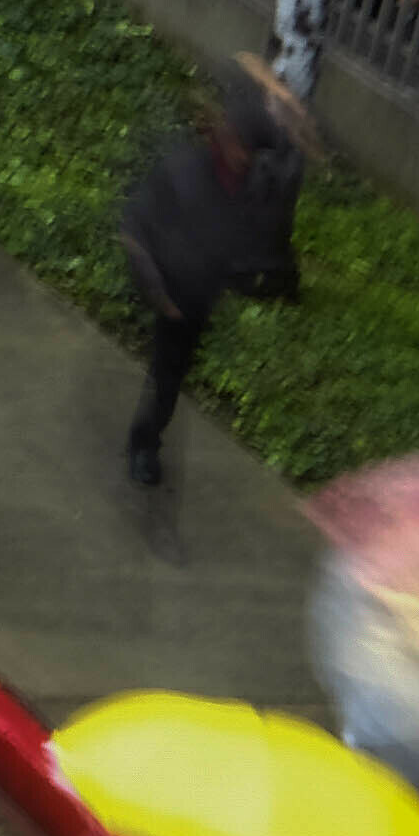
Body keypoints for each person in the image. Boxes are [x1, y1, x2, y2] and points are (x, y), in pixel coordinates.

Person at [114, 56, 308, 532]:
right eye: (240, 145)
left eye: (250, 150)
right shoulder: (186, 170)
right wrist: (157, 291)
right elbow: (135, 224)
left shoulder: (253, 186)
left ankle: (147, 438)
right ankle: (144, 444)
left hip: (198, 295)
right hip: (171, 288)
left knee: (173, 375)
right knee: (166, 374)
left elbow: (265, 235)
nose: (243, 156)